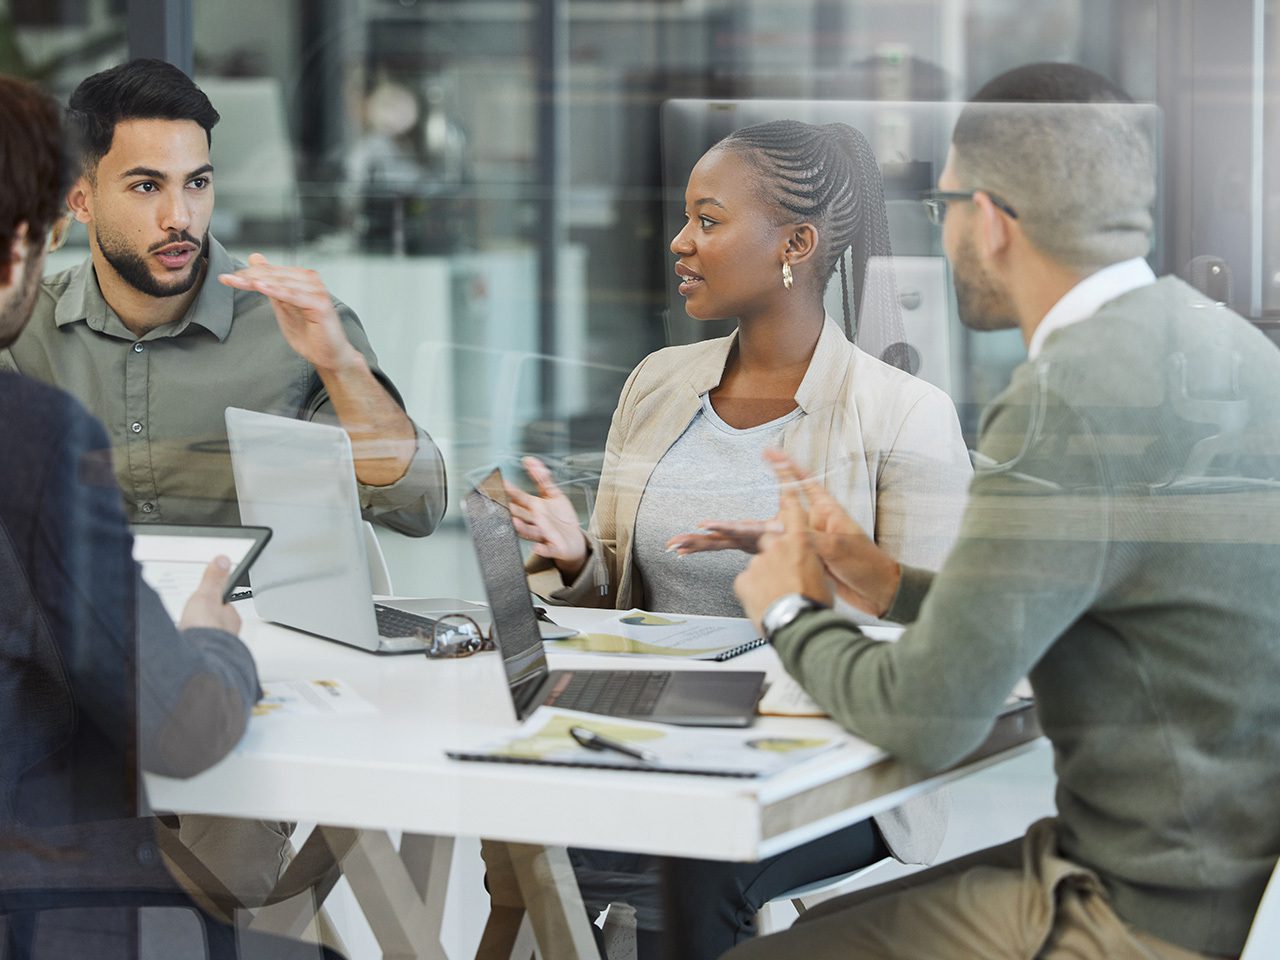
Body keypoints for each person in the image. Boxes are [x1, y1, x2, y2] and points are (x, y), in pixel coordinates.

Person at [729, 62, 1280, 960]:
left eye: (943, 204)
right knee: (821, 930)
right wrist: (888, 583)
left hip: (1132, 912)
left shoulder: (1064, 397)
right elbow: (1109, 585)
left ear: (987, 219)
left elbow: (927, 718)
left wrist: (787, 608)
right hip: (1210, 878)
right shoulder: (1225, 343)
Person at [503, 119, 972, 958]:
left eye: (709, 221)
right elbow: (626, 599)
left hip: (839, 759)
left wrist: (813, 577)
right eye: (685, 219)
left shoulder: (906, 414)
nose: (680, 243)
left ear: (795, 242)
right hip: (657, 736)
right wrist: (576, 559)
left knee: (700, 863)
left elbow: (936, 641)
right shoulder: (657, 383)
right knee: (521, 826)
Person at [0, 57, 445, 910]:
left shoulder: (289, 326)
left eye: (196, 183)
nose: (181, 217)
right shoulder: (25, 332)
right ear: (80, 200)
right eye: (145, 186)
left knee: (223, 876)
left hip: (245, 690)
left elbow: (418, 503)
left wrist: (342, 366)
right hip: (69, 695)